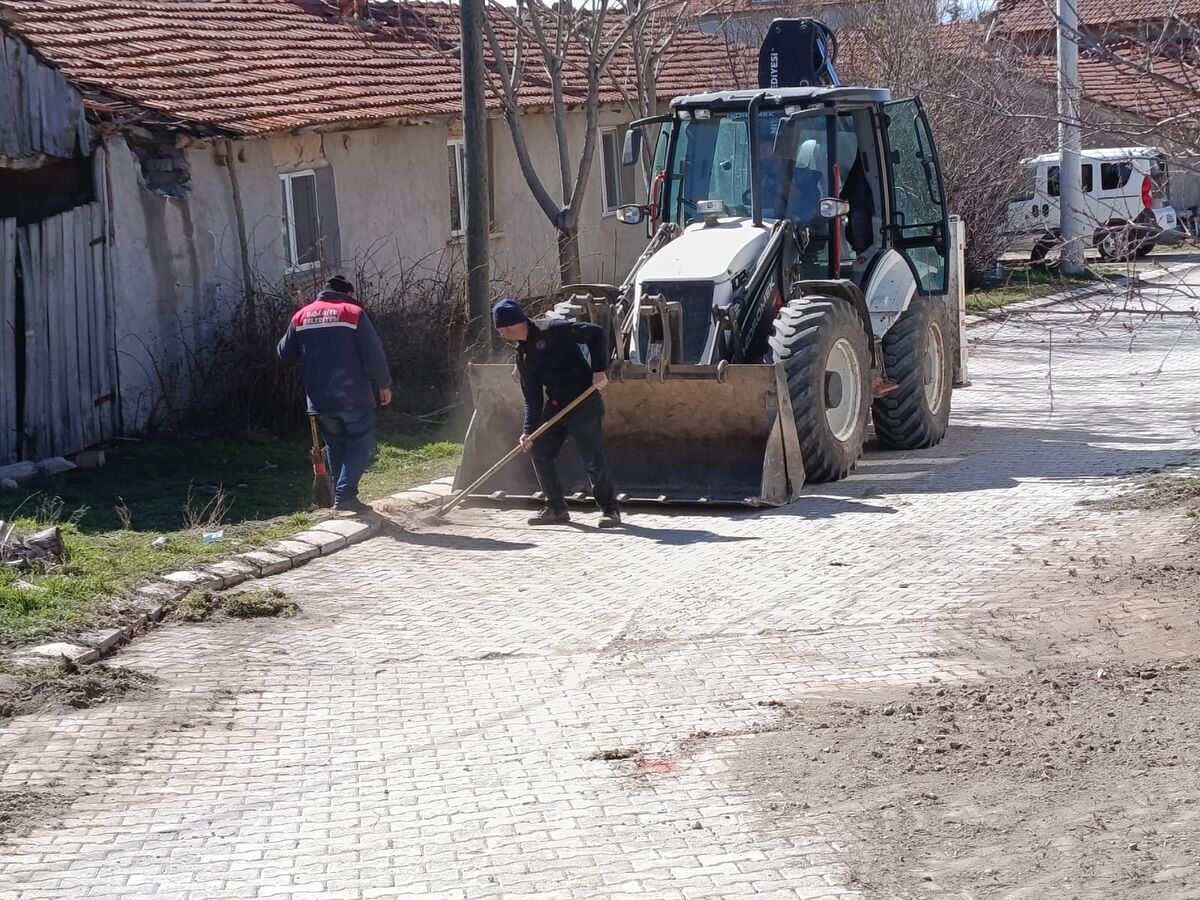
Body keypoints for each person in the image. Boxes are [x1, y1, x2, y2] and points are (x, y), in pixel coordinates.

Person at [492, 298, 621, 528]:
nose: (501, 334)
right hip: (556, 405)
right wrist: (528, 430)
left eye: (501, 329)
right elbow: (532, 397)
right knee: (540, 450)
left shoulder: (554, 329)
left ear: (510, 326)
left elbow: (596, 333)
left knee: (592, 458)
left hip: (584, 401)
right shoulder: (522, 355)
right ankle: (556, 508)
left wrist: (599, 370)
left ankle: (610, 510)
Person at [277, 275, 392, 513]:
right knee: (361, 442)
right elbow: (374, 351)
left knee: (336, 445)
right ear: (348, 293)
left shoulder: (301, 316)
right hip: (353, 395)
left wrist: (299, 326)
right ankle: (345, 495)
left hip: (320, 398)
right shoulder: (352, 312)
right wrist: (383, 383)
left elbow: (284, 353)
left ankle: (344, 498)